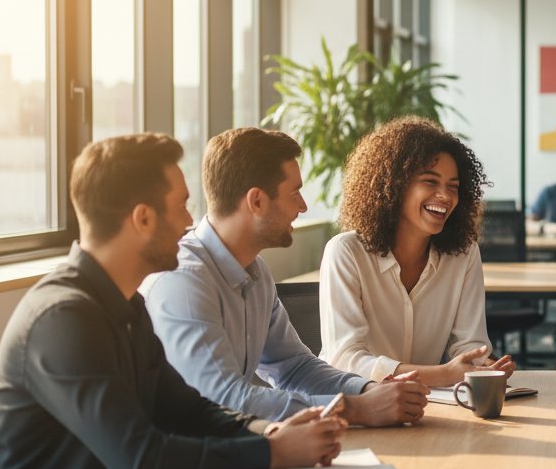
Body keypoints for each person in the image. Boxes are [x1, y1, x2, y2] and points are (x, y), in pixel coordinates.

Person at [0, 134, 343, 469]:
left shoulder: (125, 306)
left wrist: (268, 433)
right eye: (182, 205)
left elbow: (189, 409)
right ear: (143, 218)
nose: (191, 221)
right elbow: (141, 460)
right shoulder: (63, 318)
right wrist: (275, 454)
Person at [144, 128, 428, 425]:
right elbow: (223, 398)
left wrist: (371, 390)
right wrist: (356, 408)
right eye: (295, 193)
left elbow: (294, 368)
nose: (302, 206)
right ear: (256, 201)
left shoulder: (255, 272)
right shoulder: (184, 281)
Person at [319, 117, 516, 386]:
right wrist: (443, 374)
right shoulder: (346, 253)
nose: (445, 196)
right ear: (394, 185)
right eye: (430, 181)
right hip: (357, 405)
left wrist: (481, 367)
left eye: (453, 186)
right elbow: (344, 359)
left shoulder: (463, 254)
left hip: (428, 407)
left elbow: (470, 345)